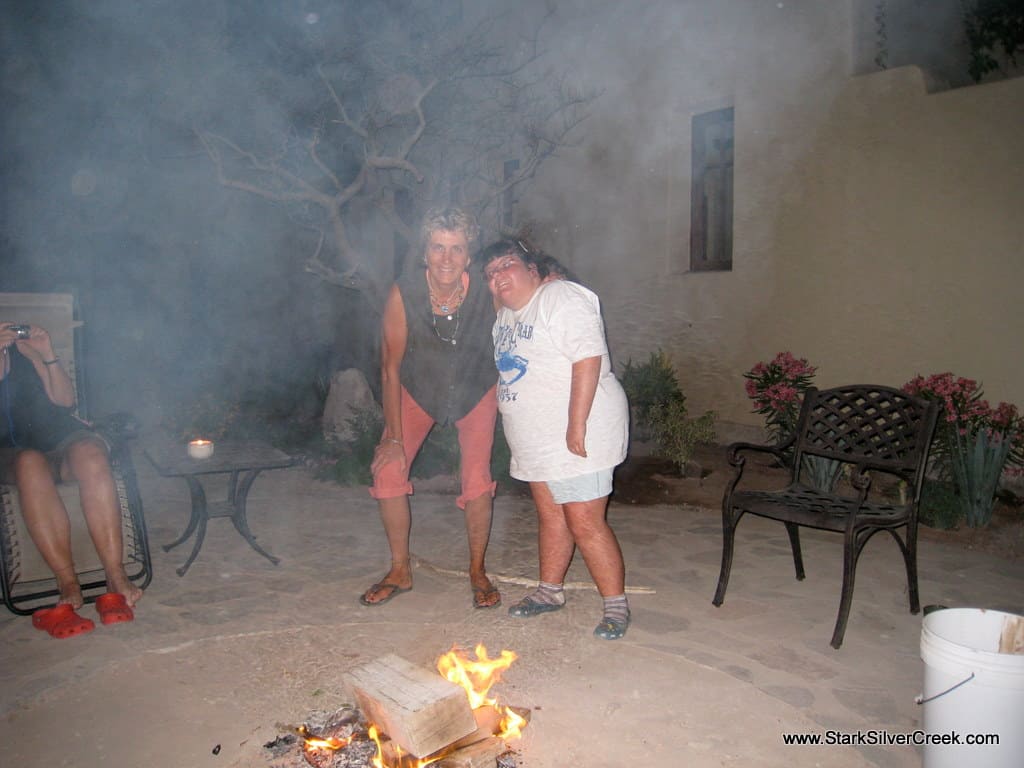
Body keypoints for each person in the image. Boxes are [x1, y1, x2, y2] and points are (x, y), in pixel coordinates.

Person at [482, 239, 631, 639]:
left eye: (506, 265)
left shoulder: (559, 296)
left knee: (585, 522)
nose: (498, 276)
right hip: (538, 440)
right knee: (552, 517)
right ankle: (550, 592)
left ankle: (616, 605)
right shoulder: (506, 317)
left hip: (578, 434)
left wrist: (576, 425)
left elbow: (588, 358)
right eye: (490, 273)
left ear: (534, 269)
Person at [362, 206, 502, 609]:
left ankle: (477, 571)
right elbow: (390, 368)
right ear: (425, 252)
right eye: (438, 247)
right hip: (419, 389)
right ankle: (400, 570)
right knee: (388, 469)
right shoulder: (403, 293)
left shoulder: (488, 291)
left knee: (477, 477)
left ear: (468, 255)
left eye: (456, 248)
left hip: (475, 387)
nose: (446, 258)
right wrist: (392, 437)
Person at [1, 322, 140, 638]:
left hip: (59, 441)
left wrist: (46, 354)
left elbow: (65, 402)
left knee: (90, 452)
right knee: (29, 463)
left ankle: (116, 576)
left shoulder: (23, 351)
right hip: (10, 450)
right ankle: (67, 582)